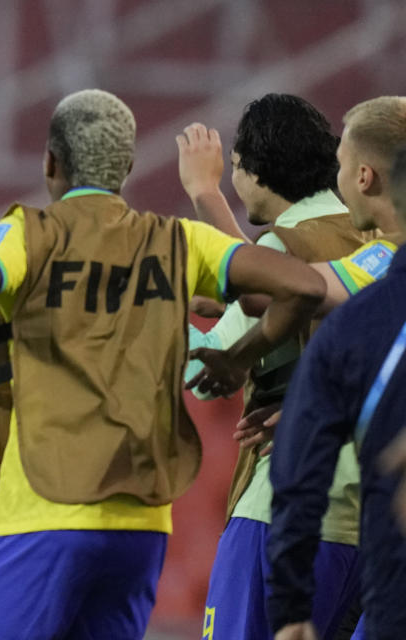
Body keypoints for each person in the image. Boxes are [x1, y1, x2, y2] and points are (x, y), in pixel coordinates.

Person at [0, 89, 326, 639]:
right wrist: (237, 356)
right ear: (126, 168)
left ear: (50, 162)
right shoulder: (179, 241)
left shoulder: (30, 233)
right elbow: (302, 285)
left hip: (45, 507)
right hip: (141, 528)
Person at [175, 94, 374, 640]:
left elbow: (209, 367)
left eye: (237, 168)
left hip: (286, 507)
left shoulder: (286, 244)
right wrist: (207, 194)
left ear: (258, 174)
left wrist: (150, 312)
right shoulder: (376, 239)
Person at [267, 117, 406, 640]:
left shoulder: (366, 308)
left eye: (342, 166)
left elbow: (298, 480)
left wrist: (290, 609)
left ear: (369, 177)